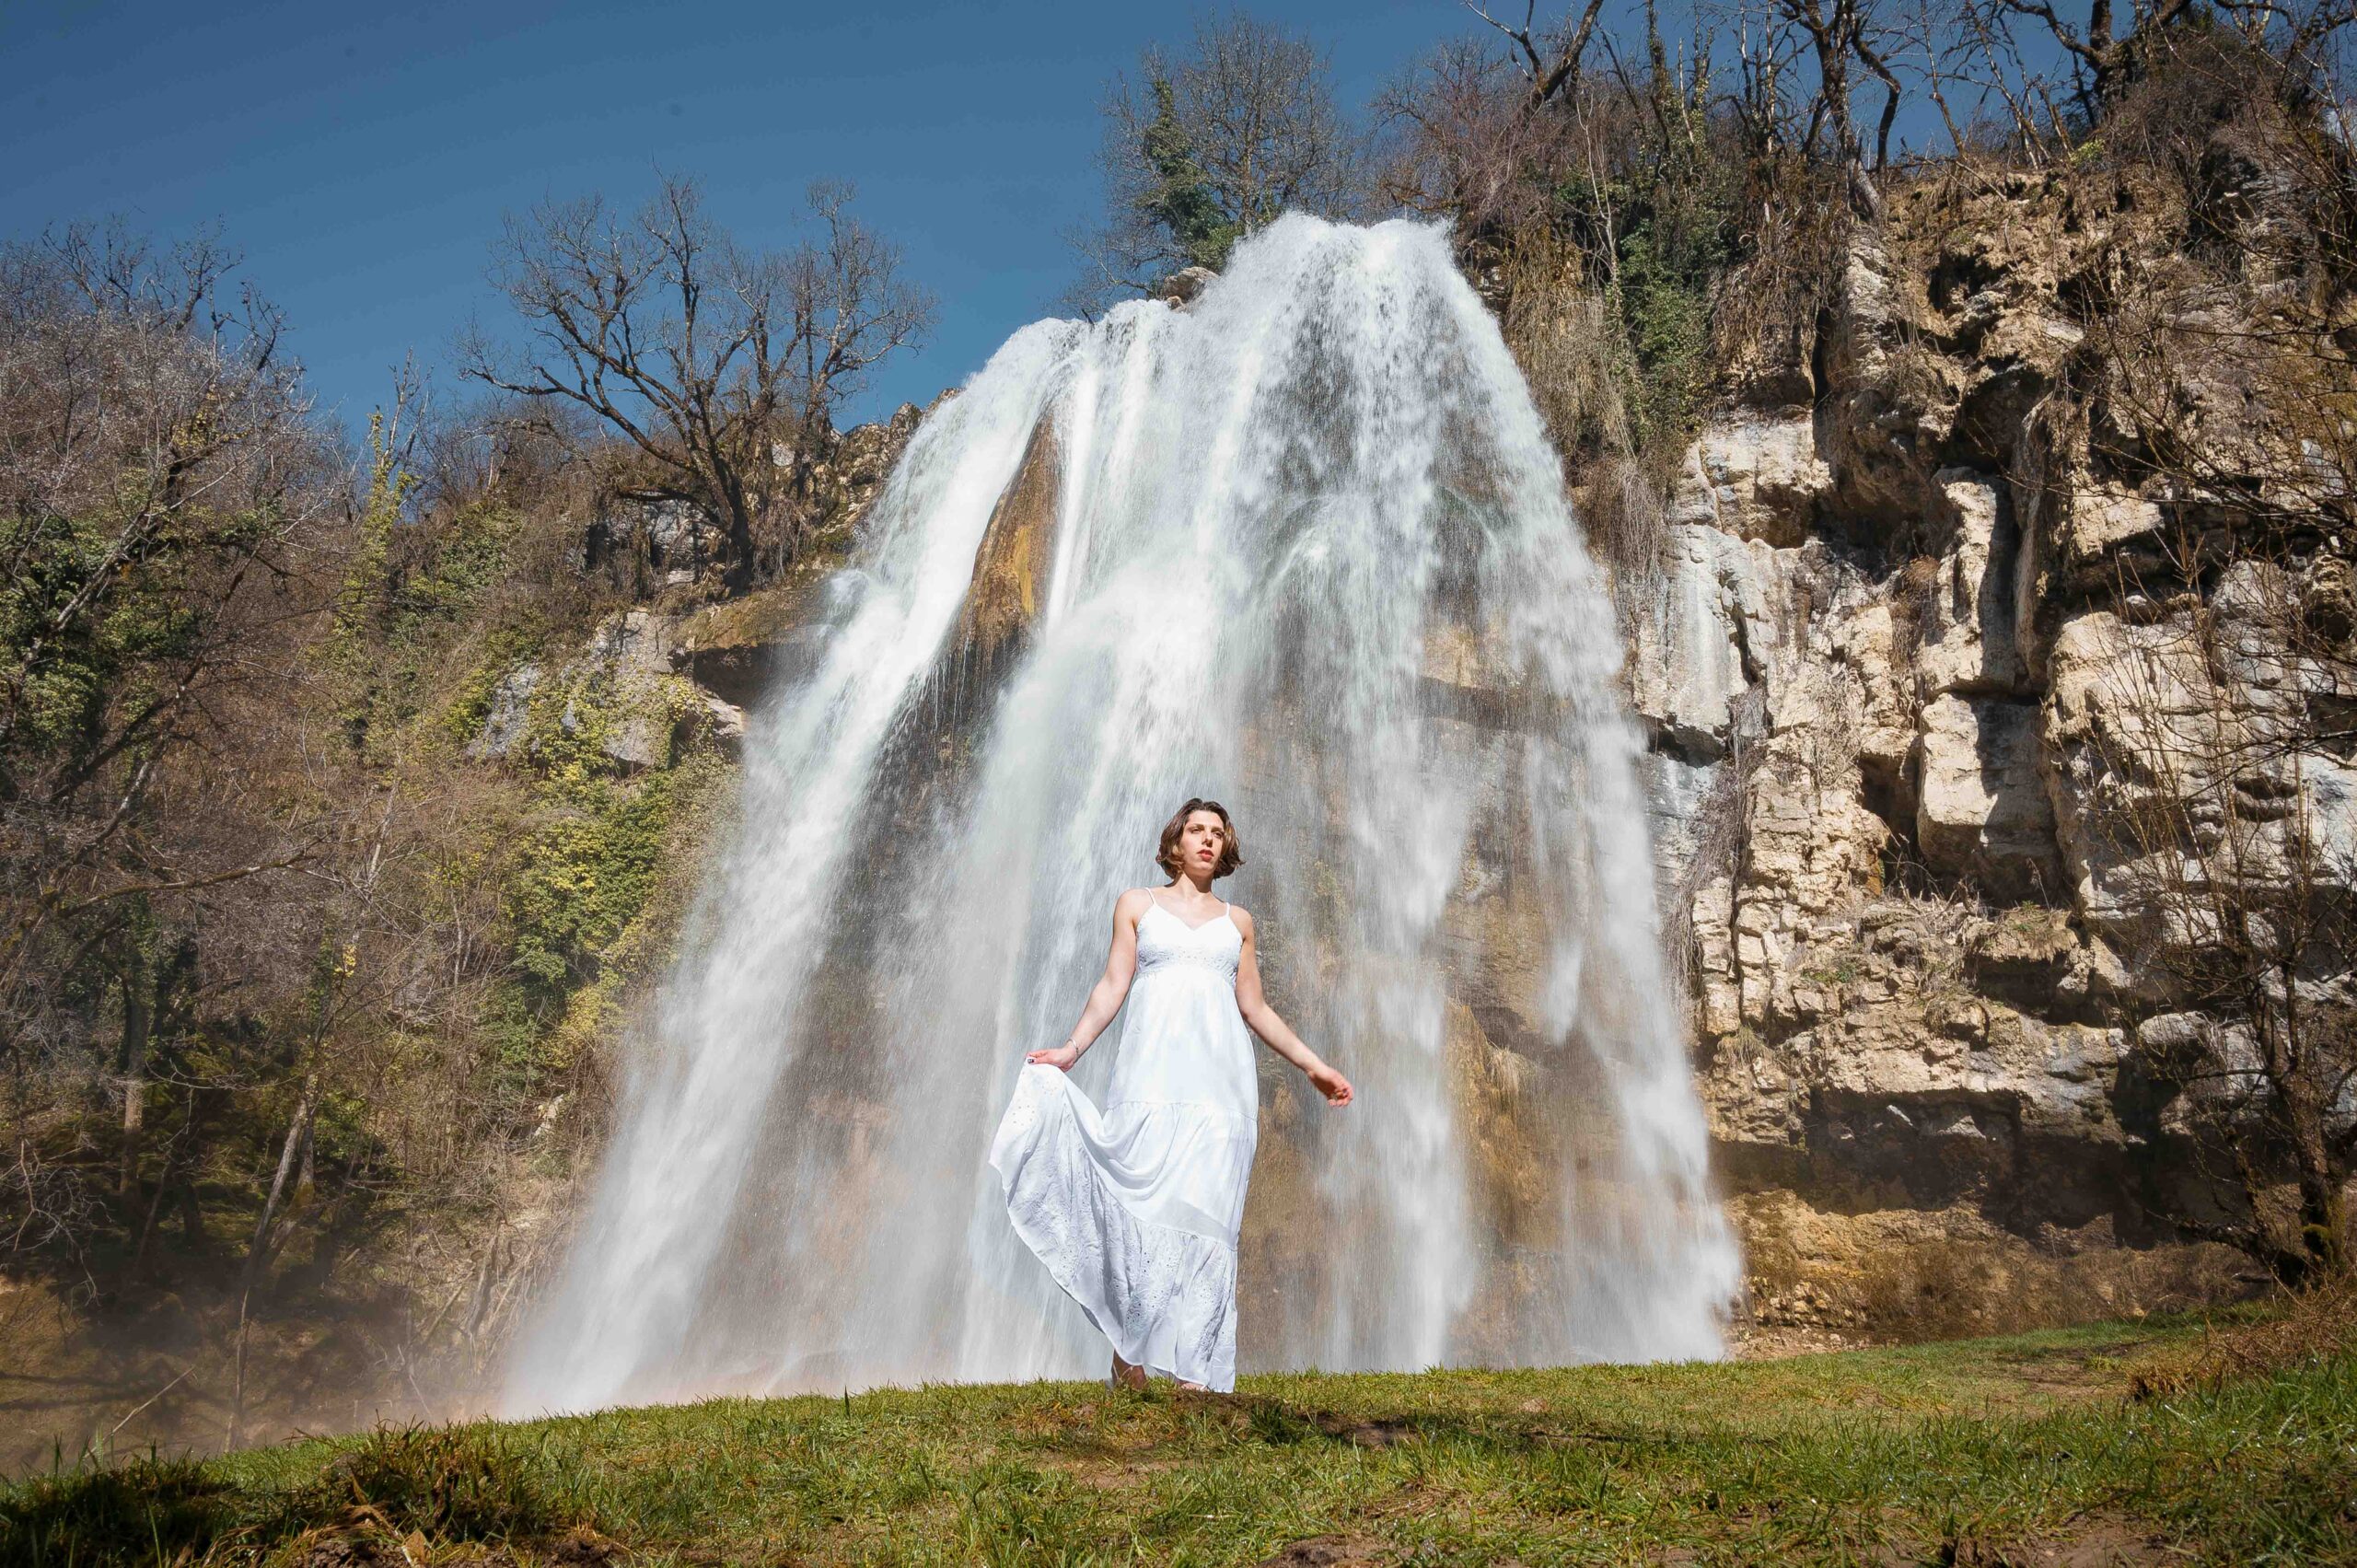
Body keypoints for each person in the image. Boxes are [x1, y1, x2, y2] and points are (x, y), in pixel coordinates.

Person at [988, 797, 1353, 1394]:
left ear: (1225, 846)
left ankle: (1195, 1375)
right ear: (1176, 841)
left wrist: (1314, 1065)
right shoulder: (1138, 904)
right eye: (1196, 830)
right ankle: (1125, 1355)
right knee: (1138, 1215)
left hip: (1219, 1091)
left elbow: (1254, 1006)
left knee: (1211, 1223)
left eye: (1217, 832)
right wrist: (1072, 1049)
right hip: (1148, 1082)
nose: (1207, 839)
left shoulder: (1239, 922)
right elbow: (1113, 983)